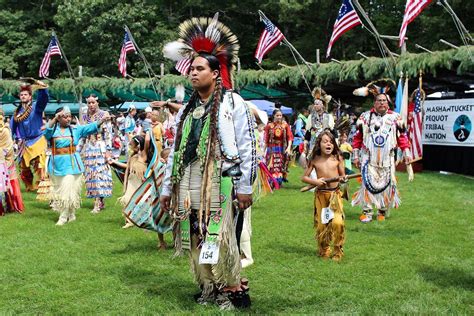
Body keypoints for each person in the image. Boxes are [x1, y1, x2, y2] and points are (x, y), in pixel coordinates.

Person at [160, 14, 256, 310]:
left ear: (215, 73)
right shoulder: (185, 112)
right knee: (193, 235)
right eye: (191, 69)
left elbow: (249, 147)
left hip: (222, 181)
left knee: (222, 236)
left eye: (200, 68)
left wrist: (245, 186)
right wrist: (166, 189)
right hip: (189, 181)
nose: (193, 73)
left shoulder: (233, 103)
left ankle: (231, 288)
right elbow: (175, 152)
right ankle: (207, 285)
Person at [352, 88, 411, 223]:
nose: (382, 103)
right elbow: (357, 138)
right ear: (374, 103)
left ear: (388, 103)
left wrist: (406, 152)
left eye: (384, 100)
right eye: (379, 100)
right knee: (367, 183)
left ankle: (381, 211)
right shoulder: (364, 117)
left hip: (387, 157)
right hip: (368, 156)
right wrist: (355, 155)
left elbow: (402, 137)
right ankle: (367, 212)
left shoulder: (396, 117)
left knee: (387, 183)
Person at [45, 107, 110, 225]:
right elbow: (46, 131)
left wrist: (102, 120)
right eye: (65, 116)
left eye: (69, 116)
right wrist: (54, 119)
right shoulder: (53, 130)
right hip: (57, 165)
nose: (68, 119)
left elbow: (89, 127)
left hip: (72, 165)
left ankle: (63, 216)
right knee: (61, 192)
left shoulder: (75, 129)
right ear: (59, 118)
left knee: (68, 190)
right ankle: (71, 213)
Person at [302, 130, 346, 261]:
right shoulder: (315, 159)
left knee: (338, 223)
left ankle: (338, 251)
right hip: (321, 197)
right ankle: (324, 250)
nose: (329, 144)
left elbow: (342, 175)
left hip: (335, 196)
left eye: (331, 142)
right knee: (323, 225)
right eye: (325, 141)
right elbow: (304, 177)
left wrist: (343, 179)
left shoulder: (338, 157)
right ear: (319, 144)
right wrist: (315, 181)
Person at [10, 80, 49, 191]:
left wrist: (42, 89)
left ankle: (41, 184)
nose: (23, 96)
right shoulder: (17, 112)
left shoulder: (36, 107)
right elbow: (12, 128)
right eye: (21, 95)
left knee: (40, 163)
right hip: (24, 142)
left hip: (38, 139)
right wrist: (9, 140)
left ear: (30, 97)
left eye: (25, 94)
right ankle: (29, 186)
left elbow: (44, 99)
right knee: (23, 166)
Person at [80, 94, 113, 213]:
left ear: (97, 102)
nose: (91, 105)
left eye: (93, 102)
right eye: (89, 103)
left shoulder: (104, 115)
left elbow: (108, 134)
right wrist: (79, 149)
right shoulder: (85, 117)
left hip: (100, 147)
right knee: (92, 175)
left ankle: (98, 202)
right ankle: (98, 201)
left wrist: (108, 151)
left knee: (101, 175)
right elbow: (83, 134)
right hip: (89, 148)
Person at [111, 135, 149, 229]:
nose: (129, 145)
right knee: (127, 199)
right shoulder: (132, 156)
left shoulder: (143, 154)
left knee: (141, 200)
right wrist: (114, 162)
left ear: (138, 145)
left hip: (140, 180)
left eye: (131, 144)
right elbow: (127, 167)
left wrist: (148, 131)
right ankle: (129, 221)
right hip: (132, 180)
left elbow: (147, 140)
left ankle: (142, 220)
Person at [0, 110, 24, 215]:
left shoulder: (4, 130)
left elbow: (8, 148)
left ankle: (13, 206)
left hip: (6, 161)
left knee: (11, 183)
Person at [264, 109, 293, 185]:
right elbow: (266, 140)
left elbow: (289, 137)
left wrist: (289, 147)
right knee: (272, 164)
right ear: (274, 116)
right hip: (271, 148)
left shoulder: (285, 125)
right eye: (277, 115)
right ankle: (272, 180)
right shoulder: (269, 126)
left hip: (281, 148)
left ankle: (279, 180)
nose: (279, 117)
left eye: (280, 115)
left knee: (280, 165)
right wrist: (263, 151)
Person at [306, 87, 334, 155]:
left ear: (322, 105)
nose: (315, 106)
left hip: (325, 144)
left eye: (317, 104)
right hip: (313, 144)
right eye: (314, 104)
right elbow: (308, 133)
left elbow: (333, 132)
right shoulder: (311, 117)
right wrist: (305, 142)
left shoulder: (329, 117)